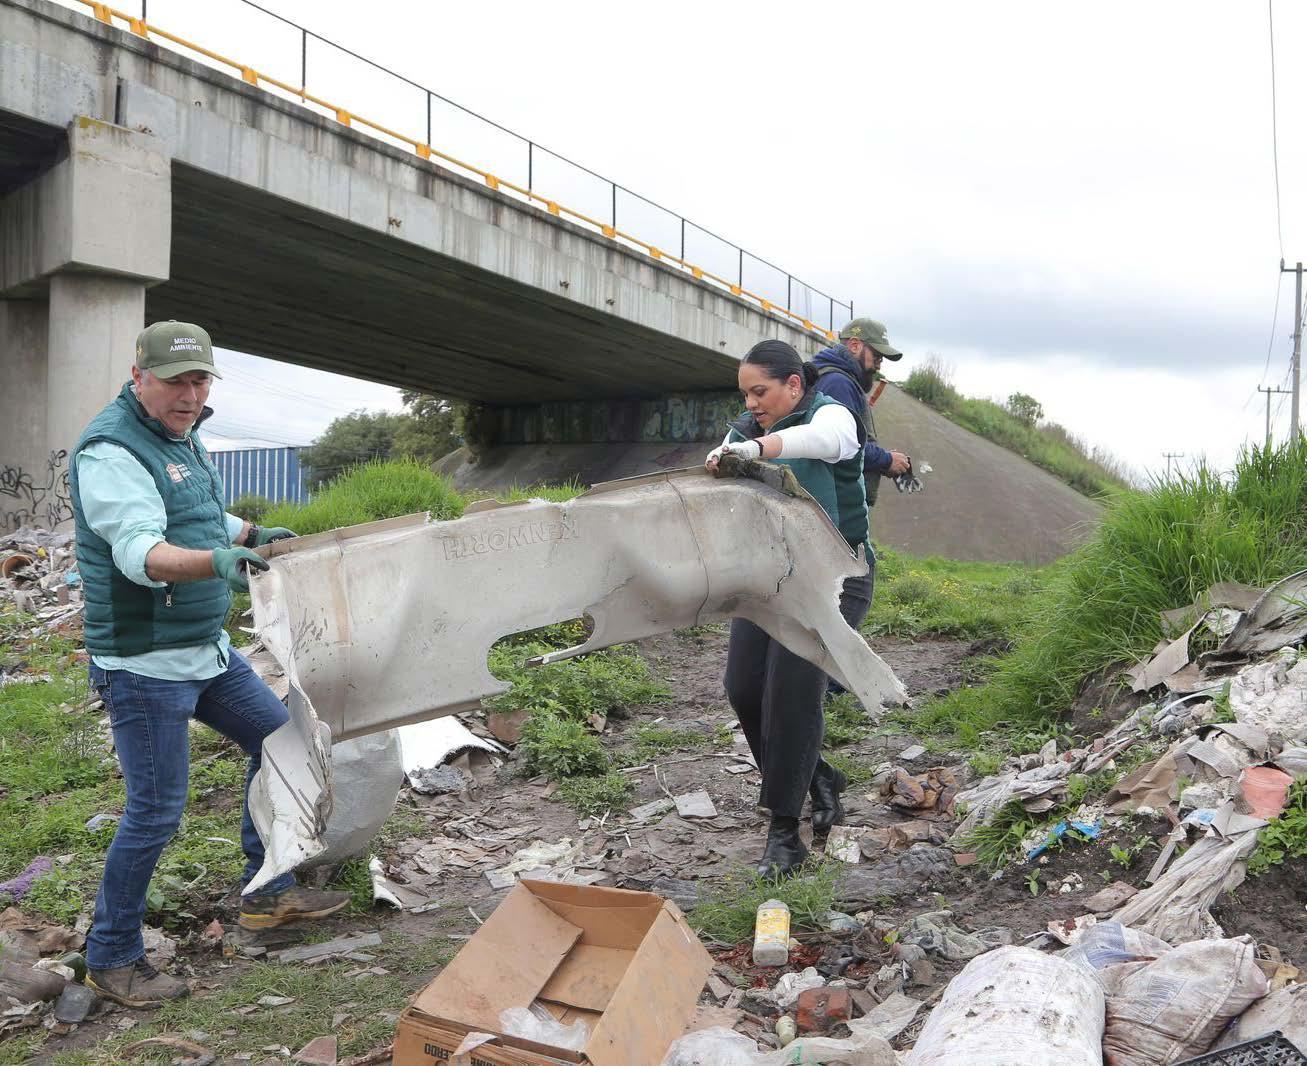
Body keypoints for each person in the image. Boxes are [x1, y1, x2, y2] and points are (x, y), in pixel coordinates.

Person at [70, 320, 349, 1008]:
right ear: (139, 377)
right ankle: (112, 957)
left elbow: (196, 512)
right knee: (156, 813)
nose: (189, 395)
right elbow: (140, 551)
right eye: (175, 382)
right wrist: (216, 564)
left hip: (205, 653)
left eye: (199, 381)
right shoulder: (110, 451)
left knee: (283, 742)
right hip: (143, 665)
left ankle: (267, 895)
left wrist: (249, 533)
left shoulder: (182, 434)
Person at [706, 339, 873, 877]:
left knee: (791, 689)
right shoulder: (743, 431)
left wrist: (756, 449)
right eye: (745, 394)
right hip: (771, 578)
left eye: (760, 391)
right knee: (743, 688)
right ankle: (819, 776)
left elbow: (822, 442)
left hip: (835, 578)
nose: (751, 403)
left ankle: (785, 833)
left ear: (794, 385)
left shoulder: (831, 414)